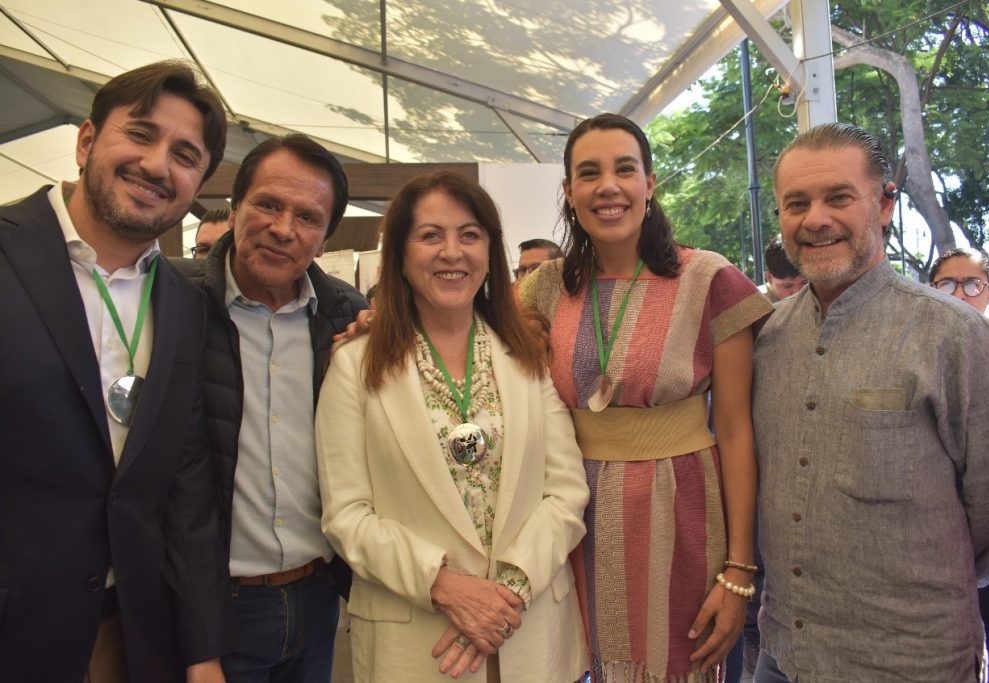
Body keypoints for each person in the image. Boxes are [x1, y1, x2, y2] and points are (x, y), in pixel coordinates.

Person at [753, 123, 989, 682]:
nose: (816, 218)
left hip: (911, 660)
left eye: (839, 197)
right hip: (785, 654)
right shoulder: (769, 338)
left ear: (884, 205)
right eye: (796, 203)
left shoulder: (951, 334)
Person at [518, 113, 773, 682]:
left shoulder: (710, 279)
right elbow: (466, 342)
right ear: (569, 191)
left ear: (650, 183)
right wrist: (374, 322)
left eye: (624, 169)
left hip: (680, 513)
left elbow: (735, 432)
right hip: (567, 516)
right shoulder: (540, 288)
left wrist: (739, 572)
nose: (608, 186)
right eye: (589, 173)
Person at [0, 60, 233, 682]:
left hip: (126, 634)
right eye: (140, 134)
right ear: (85, 142)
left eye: (186, 156)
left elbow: (185, 486)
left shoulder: (182, 302)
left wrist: (202, 652)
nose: (158, 166)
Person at [316, 171, 590, 682]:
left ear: (489, 251)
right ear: (398, 254)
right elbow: (346, 515)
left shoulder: (526, 356)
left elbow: (567, 492)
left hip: (527, 630)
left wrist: (505, 593)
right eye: (430, 235)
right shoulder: (355, 365)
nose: (451, 252)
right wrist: (446, 587)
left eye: (469, 234)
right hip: (419, 641)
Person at [172, 134, 367, 682]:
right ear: (235, 211)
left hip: (318, 595)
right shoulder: (176, 302)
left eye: (307, 216)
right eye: (268, 204)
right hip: (213, 606)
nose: (284, 228)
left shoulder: (347, 316)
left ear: (325, 239)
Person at [929, 247, 989, 683]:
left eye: (973, 284)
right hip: (932, 549)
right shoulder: (909, 352)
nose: (960, 294)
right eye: (948, 283)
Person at [758, 236, 806, 303]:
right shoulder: (755, 304)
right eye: (787, 286)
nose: (798, 292)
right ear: (769, 278)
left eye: (805, 283)